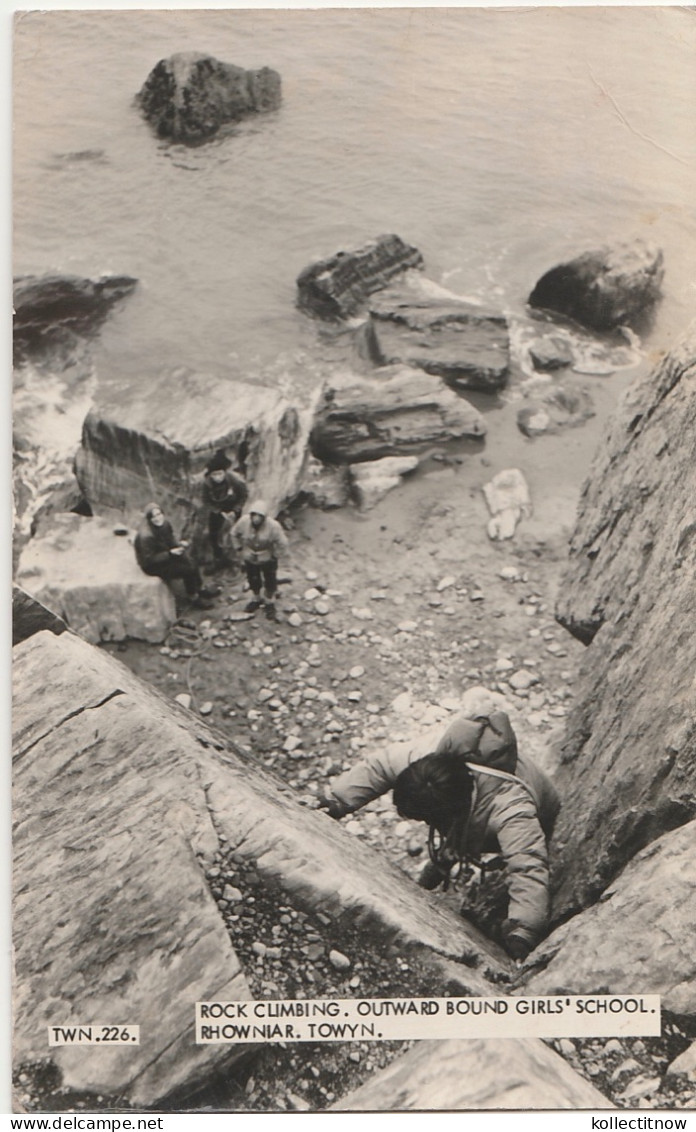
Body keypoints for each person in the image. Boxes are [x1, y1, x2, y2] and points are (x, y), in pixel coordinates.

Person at [319, 710, 561, 961]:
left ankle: (447, 862)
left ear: (454, 811)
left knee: (505, 858)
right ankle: (436, 870)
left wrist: (525, 930)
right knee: (451, 846)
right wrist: (336, 801)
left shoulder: (512, 809)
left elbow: (527, 865)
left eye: (428, 820)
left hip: (539, 806)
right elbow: (379, 767)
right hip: (466, 808)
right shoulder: (424, 763)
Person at [134, 503, 219, 609]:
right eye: (154, 516)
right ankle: (193, 597)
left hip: (165, 554)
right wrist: (170, 554)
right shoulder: (146, 536)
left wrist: (178, 545)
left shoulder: (165, 524)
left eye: (159, 514)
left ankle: (199, 588)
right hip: (153, 566)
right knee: (187, 570)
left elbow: (170, 539)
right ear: (149, 519)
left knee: (191, 560)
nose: (158, 518)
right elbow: (149, 559)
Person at [231, 500, 289, 620]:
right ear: (250, 514)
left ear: (264, 517)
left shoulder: (273, 526)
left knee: (270, 580)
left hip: (267, 556)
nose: (256, 519)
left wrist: (275, 555)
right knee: (253, 577)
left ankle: (269, 602)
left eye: (260, 516)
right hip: (249, 555)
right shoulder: (243, 522)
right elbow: (234, 533)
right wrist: (239, 548)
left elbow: (283, 543)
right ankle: (256, 598)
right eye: (254, 515)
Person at [201, 450, 249, 568]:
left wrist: (235, 510)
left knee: (236, 534)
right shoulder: (207, 484)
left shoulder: (235, 481)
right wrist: (218, 512)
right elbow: (206, 500)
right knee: (214, 535)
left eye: (220, 474)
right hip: (217, 510)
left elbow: (243, 495)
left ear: (225, 472)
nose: (217, 478)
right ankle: (218, 559)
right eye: (214, 475)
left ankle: (238, 559)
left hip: (233, 508)